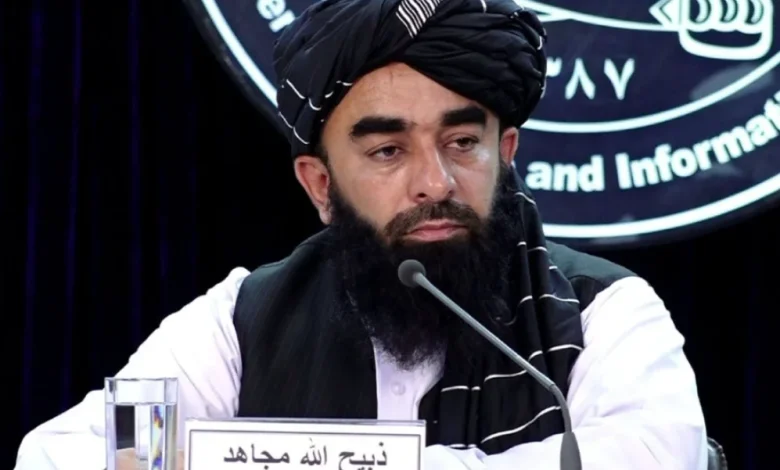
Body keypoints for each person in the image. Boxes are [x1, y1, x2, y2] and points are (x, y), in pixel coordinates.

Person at [15, 0, 708, 468]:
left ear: (506, 153)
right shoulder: (242, 324)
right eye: (388, 151)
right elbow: (70, 452)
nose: (435, 182)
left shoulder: (603, 312)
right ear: (321, 185)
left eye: (462, 142)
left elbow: (653, 454)